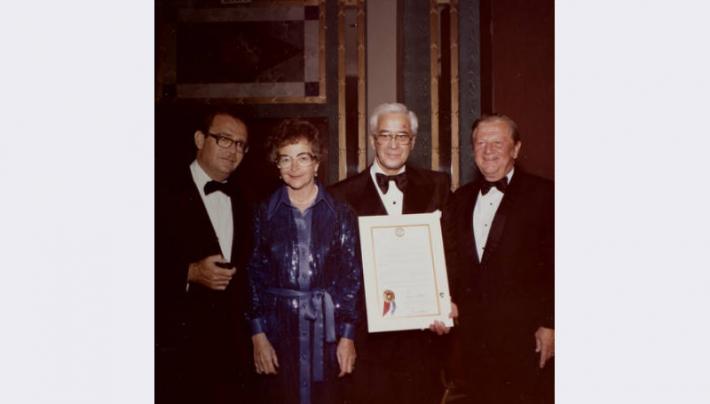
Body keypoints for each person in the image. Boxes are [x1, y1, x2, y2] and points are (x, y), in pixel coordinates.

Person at [329, 102, 451, 404]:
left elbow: (449, 252)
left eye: (402, 136)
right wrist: (347, 335)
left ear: (413, 141)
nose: (394, 145)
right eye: (385, 135)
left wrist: (445, 305)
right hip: (367, 340)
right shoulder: (340, 195)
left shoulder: (437, 185)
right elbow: (337, 274)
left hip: (421, 335)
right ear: (373, 140)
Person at [246, 119, 362, 404]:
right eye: (285, 159)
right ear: (277, 166)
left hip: (327, 332)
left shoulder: (341, 214)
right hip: (277, 330)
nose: (294, 167)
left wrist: (347, 336)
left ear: (316, 163)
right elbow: (253, 276)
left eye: (302, 157)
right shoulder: (263, 214)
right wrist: (257, 335)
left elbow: (351, 277)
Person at [442, 113, 554, 404]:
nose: (488, 150)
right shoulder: (459, 198)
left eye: (497, 142)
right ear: (472, 150)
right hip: (472, 338)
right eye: (481, 142)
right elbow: (451, 260)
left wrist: (551, 324)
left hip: (525, 337)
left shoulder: (546, 195)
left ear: (516, 149)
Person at [155, 110, 255, 404]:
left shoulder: (247, 198)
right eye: (224, 140)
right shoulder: (159, 190)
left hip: (231, 355)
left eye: (240, 144)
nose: (233, 150)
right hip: (176, 350)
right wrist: (188, 272)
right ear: (200, 139)